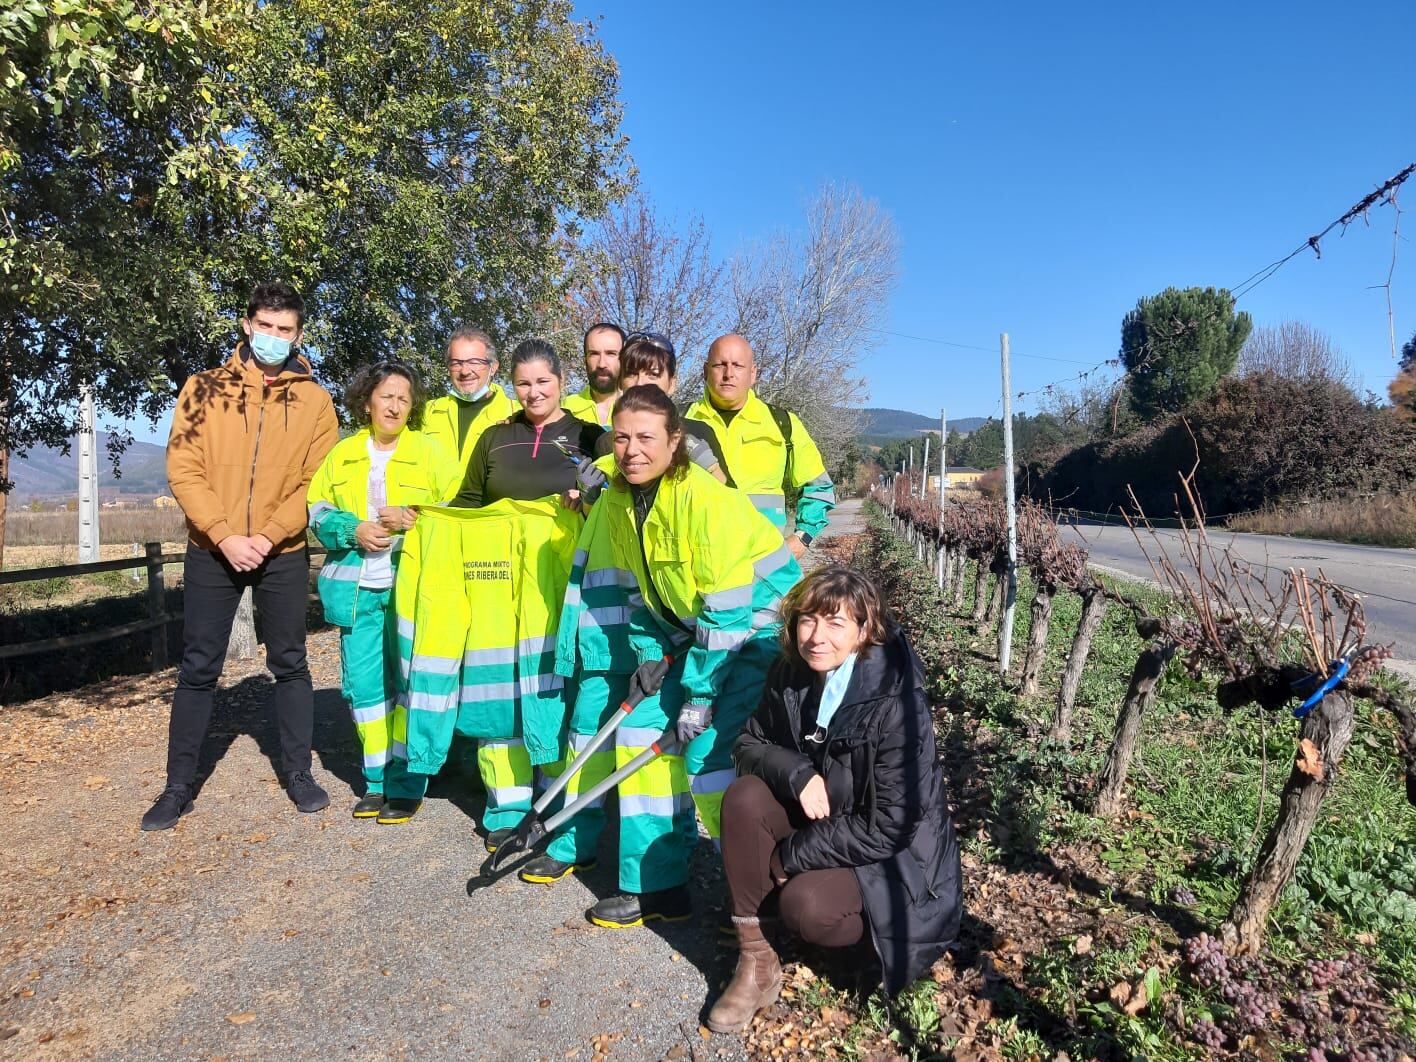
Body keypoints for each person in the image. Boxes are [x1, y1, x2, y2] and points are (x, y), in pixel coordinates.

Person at [547, 386, 801, 929]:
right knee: (638, 734)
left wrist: (700, 694)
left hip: (757, 631)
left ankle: (761, 902)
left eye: (645, 437)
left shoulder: (703, 501)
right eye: (621, 437)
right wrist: (651, 655)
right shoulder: (620, 500)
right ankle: (656, 887)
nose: (631, 449)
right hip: (692, 635)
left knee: (707, 760)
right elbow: (638, 592)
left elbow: (729, 612)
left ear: (675, 441)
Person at [707, 567, 962, 1033]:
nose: (817, 637)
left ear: (865, 631)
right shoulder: (791, 671)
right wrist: (799, 773)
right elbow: (749, 743)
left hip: (895, 860)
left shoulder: (896, 700)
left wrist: (792, 855)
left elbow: (890, 826)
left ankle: (863, 944)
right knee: (743, 798)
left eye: (835, 623)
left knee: (807, 908)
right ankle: (757, 962)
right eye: (807, 621)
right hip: (830, 824)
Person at [142, 281, 339, 831]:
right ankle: (177, 786)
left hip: (283, 549)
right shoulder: (202, 389)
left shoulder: (316, 401)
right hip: (212, 547)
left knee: (291, 663)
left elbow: (316, 482)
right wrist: (226, 535)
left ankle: (298, 773)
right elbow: (184, 469)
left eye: (286, 330)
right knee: (199, 668)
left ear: (298, 334)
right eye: (266, 326)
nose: (275, 337)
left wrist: (270, 534)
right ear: (247, 325)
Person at [411, 338, 608, 841]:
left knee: (553, 687)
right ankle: (506, 806)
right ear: (511, 385)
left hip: (558, 584)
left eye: (543, 381)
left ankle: (554, 799)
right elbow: (467, 503)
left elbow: (615, 499)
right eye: (524, 383)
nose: (534, 391)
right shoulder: (495, 438)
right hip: (494, 587)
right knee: (497, 692)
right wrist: (419, 520)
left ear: (562, 382)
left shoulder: (592, 436)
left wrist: (585, 497)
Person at [306, 363, 461, 821]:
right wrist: (351, 529)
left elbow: (457, 509)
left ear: (412, 408)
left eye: (404, 399)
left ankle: (407, 781)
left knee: (414, 682)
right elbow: (316, 509)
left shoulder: (431, 452)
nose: (394, 405)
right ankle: (375, 779)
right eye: (386, 396)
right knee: (365, 690)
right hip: (357, 591)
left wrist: (415, 515)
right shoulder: (343, 454)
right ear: (368, 400)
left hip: (413, 589)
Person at [685, 334, 836, 561]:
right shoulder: (677, 422)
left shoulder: (782, 424)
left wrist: (802, 538)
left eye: (738, 365)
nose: (728, 374)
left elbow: (818, 487)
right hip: (693, 567)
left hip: (764, 569)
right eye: (720, 365)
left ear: (753, 373)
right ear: (705, 371)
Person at [615, 332, 726, 481]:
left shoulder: (698, 432)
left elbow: (730, 497)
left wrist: (711, 468)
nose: (640, 383)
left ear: (672, 383)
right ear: (620, 382)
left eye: (652, 374)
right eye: (631, 374)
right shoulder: (606, 442)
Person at [421, 326, 518, 474]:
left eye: (474, 362)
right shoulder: (427, 412)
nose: (465, 371)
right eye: (456, 363)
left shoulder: (516, 414)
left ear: (493, 367)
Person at [562, 322, 624, 428]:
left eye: (611, 354)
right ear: (585, 361)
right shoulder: (563, 409)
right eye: (594, 354)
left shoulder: (640, 410)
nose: (602, 364)